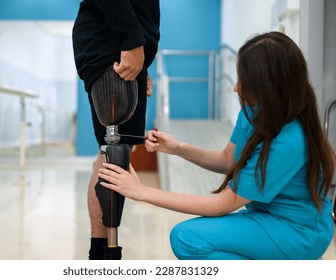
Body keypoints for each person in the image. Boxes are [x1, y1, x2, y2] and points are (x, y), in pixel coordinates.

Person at [98, 31, 336, 260]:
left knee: (187, 239)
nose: (236, 87)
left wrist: (142, 192)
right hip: (265, 218)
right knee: (187, 237)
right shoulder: (254, 113)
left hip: (298, 233)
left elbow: (223, 204)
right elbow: (227, 160)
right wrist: (177, 147)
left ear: (268, 85)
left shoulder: (290, 140)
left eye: (244, 80)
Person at [72, 0, 160, 260]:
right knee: (112, 152)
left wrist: (143, 63)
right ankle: (104, 258)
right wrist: (131, 41)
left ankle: (102, 255)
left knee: (116, 151)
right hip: (116, 41)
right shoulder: (124, 39)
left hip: (123, 44)